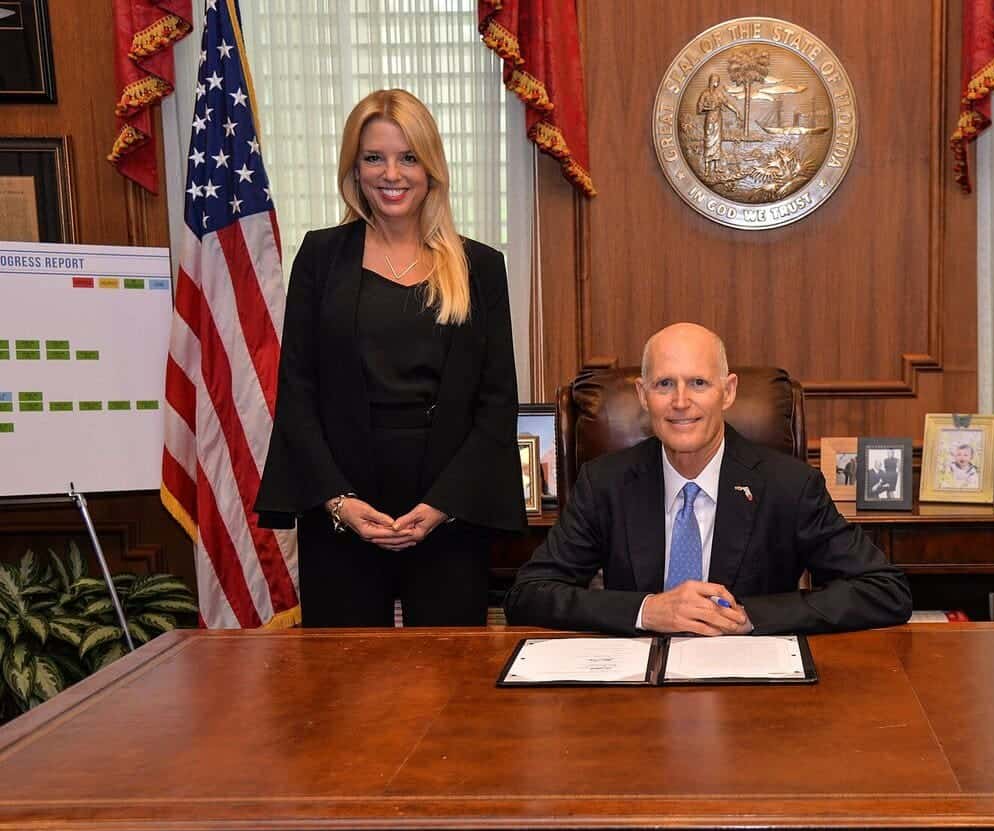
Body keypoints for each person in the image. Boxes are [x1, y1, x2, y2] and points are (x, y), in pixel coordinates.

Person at [255, 89, 526, 628]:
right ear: (354, 169)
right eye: (374, 157)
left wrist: (442, 505)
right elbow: (297, 392)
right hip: (343, 507)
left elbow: (496, 403)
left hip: (448, 508)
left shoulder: (480, 267)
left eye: (408, 157)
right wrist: (337, 502)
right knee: (340, 688)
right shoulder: (320, 257)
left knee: (448, 686)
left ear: (431, 168)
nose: (391, 173)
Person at [504, 323, 911, 636]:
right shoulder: (605, 483)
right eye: (665, 385)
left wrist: (751, 616)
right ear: (644, 396)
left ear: (727, 391)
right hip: (637, 697)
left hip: (751, 697)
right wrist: (648, 610)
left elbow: (885, 589)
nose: (681, 402)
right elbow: (528, 594)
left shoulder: (789, 486)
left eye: (698, 383)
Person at [696, 74, 741, 176]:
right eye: (715, 81)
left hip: (718, 120)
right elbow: (699, 109)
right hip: (710, 120)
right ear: (712, 81)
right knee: (708, 141)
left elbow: (727, 103)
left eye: (718, 81)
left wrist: (736, 111)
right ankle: (707, 169)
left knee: (717, 142)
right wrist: (710, 108)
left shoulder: (719, 93)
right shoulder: (705, 94)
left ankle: (716, 167)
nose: (716, 83)